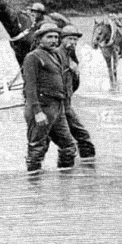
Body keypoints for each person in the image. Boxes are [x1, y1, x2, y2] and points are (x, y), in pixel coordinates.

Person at [22, 22, 77, 173]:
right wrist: (37, 112)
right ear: (40, 39)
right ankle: (33, 184)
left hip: (57, 108)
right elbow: (30, 87)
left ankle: (66, 183)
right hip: (42, 107)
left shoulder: (55, 55)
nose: (54, 40)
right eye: (49, 37)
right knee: (37, 147)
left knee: (69, 146)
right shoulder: (32, 57)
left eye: (56, 37)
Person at [59, 24, 96, 159]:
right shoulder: (58, 55)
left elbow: (73, 84)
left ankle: (88, 169)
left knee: (81, 136)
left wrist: (75, 72)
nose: (73, 42)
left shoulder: (70, 55)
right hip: (57, 105)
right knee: (67, 141)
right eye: (70, 39)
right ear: (62, 39)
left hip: (66, 103)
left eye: (75, 40)